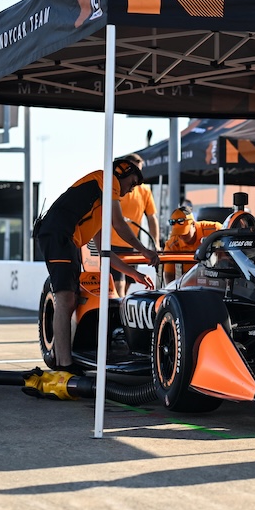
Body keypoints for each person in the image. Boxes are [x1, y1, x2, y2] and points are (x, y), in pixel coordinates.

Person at [34, 158, 160, 372]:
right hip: (58, 235)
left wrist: (134, 274)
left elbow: (105, 252)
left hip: (66, 239)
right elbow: (120, 226)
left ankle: (61, 358)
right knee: (65, 300)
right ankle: (64, 365)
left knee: (70, 301)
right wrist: (145, 250)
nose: (130, 190)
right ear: (122, 172)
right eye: (131, 183)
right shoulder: (107, 179)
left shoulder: (100, 203)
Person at [107, 153, 159, 295]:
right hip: (113, 243)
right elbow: (118, 222)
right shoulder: (115, 187)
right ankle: (117, 316)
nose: (137, 175)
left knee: (127, 285)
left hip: (133, 245)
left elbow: (152, 217)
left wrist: (155, 244)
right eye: (134, 170)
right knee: (119, 285)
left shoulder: (145, 190)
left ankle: (117, 314)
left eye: (139, 171)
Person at [161, 206, 222, 283]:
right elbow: (169, 274)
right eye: (178, 233)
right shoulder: (171, 245)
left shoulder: (215, 230)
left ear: (193, 224)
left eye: (184, 232)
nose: (181, 236)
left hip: (216, 282)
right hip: (188, 286)